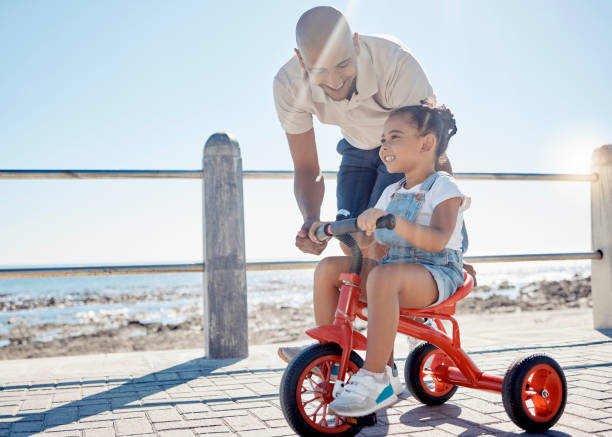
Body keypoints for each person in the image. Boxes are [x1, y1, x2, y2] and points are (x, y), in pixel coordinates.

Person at [322, 101, 470, 416]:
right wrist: (336, 230)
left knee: (382, 276)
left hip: (436, 273)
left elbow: (438, 239)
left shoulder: (444, 186)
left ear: (426, 143)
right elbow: (374, 247)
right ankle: (333, 358)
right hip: (393, 273)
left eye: (394, 137)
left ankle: (377, 378)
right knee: (330, 269)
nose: (384, 145)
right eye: (384, 138)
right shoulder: (390, 191)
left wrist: (394, 221)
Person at [273, 6, 451, 261]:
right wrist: (310, 220)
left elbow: (432, 150)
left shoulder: (395, 64)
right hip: (356, 147)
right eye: (320, 71)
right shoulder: (287, 85)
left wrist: (453, 245)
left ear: (355, 44)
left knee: (381, 237)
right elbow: (306, 168)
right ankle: (371, 298)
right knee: (350, 241)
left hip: (402, 147)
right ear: (301, 60)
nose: (334, 81)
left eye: (343, 64)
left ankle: (443, 263)